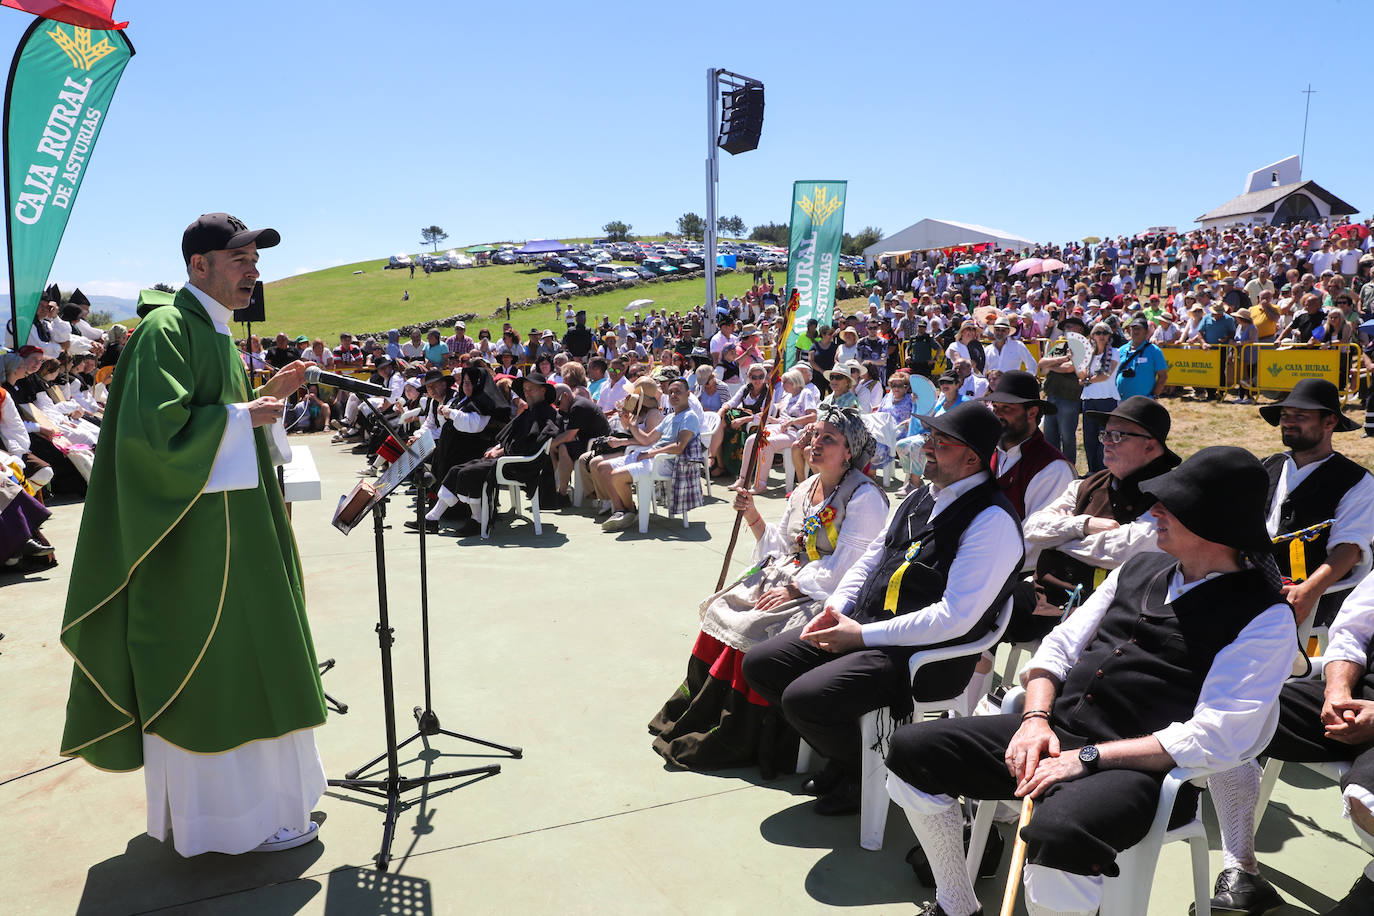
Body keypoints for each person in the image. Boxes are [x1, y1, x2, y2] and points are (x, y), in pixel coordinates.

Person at [885, 446, 1295, 916]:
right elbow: (1057, 649)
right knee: (911, 752)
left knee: (1059, 839)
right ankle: (957, 905)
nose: (1155, 509)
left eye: (1173, 504)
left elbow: (1218, 736)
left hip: (1142, 772)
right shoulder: (1139, 568)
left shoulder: (1264, 617)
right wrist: (1035, 720)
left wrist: (1087, 758)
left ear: (1216, 521)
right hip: (1054, 735)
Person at [60, 213, 328, 857]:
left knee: (255, 663)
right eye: (239, 258)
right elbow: (157, 440)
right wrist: (245, 414)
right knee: (218, 673)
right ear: (198, 265)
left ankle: (262, 811)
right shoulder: (165, 329)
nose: (252, 269)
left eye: (254, 259)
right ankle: (235, 825)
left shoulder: (212, 331)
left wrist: (266, 398)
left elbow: (222, 422)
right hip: (195, 553)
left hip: (237, 542)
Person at [742, 402, 1023, 816]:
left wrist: (859, 636)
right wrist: (836, 608)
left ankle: (866, 772)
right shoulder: (921, 498)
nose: (927, 447)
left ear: (972, 457)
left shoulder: (991, 519)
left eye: (939, 442)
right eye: (929, 438)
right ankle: (853, 757)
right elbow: (871, 559)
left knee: (803, 698)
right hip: (870, 630)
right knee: (762, 663)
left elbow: (953, 617)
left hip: (924, 657)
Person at [651, 407, 889, 772]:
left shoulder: (864, 497)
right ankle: (697, 711)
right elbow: (784, 546)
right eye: (815, 435)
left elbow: (849, 568)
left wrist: (795, 590)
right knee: (721, 608)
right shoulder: (807, 487)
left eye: (829, 439)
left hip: (827, 595)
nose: (816, 444)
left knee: (751, 626)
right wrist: (753, 515)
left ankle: (739, 732)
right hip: (789, 576)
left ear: (848, 452)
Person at [1200, 572, 1374, 916]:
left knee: (1365, 800)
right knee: (1229, 715)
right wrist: (1337, 691)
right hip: (1360, 693)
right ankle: (1242, 872)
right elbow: (1354, 630)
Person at [1020, 396, 1181, 641]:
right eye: (1105, 434)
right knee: (985, 610)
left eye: (1118, 436)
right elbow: (1032, 528)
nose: (1106, 441)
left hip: (1109, 612)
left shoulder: (1166, 495)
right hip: (1045, 594)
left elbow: (1121, 550)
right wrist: (1083, 525)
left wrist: (1056, 538)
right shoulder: (1088, 484)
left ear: (1150, 445)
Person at [1259, 378, 1374, 628]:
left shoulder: (1357, 481)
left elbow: (1349, 548)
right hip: (1251, 583)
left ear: (1330, 421)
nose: (1288, 421)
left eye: (1300, 415)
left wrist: (1309, 591)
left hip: (1309, 599)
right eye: (1285, 414)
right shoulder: (1267, 466)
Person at [423, 371, 559, 536]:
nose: (527, 392)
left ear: (543, 391)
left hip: (519, 464)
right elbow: (512, 437)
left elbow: (529, 445)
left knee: (468, 473)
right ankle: (432, 518)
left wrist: (501, 451)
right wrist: (498, 448)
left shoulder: (545, 414)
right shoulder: (530, 412)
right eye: (525, 389)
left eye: (532, 389)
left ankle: (477, 520)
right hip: (508, 458)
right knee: (456, 470)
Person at [596, 377, 701, 532]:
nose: (673, 395)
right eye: (671, 392)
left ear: (688, 394)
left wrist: (650, 453)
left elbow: (679, 447)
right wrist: (631, 425)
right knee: (602, 467)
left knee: (616, 475)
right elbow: (647, 439)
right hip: (654, 458)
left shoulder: (689, 416)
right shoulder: (670, 417)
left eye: (677, 392)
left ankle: (630, 511)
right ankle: (621, 511)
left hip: (666, 463)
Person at [985, 371, 1074, 523]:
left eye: (1006, 408)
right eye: (995, 407)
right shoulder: (987, 453)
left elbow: (1039, 534)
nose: (997, 414)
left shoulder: (1053, 468)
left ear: (1032, 413)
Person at [549, 382, 610, 503]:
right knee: (554, 448)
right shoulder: (571, 405)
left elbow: (569, 436)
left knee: (562, 447)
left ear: (565, 396)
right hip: (587, 442)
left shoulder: (578, 406)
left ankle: (562, 494)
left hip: (598, 445)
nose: (557, 407)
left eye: (557, 403)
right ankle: (551, 485)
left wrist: (552, 444)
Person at [1079, 322, 1121, 474]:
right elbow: (1081, 375)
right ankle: (1092, 470)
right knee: (1089, 438)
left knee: (1105, 438)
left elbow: (1106, 375)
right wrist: (1075, 360)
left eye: (1105, 332)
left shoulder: (1114, 352)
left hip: (1107, 400)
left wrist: (1087, 380)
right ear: (1092, 336)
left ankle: (1104, 472)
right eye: (1098, 332)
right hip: (1089, 399)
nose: (1101, 335)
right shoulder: (1087, 354)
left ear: (1109, 336)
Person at [1113, 315, 1169, 401]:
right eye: (1133, 328)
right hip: (1120, 401)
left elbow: (1163, 376)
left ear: (1146, 332)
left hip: (1143, 403)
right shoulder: (1121, 350)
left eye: (1139, 329)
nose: (1135, 331)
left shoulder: (1154, 351)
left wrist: (1154, 396)